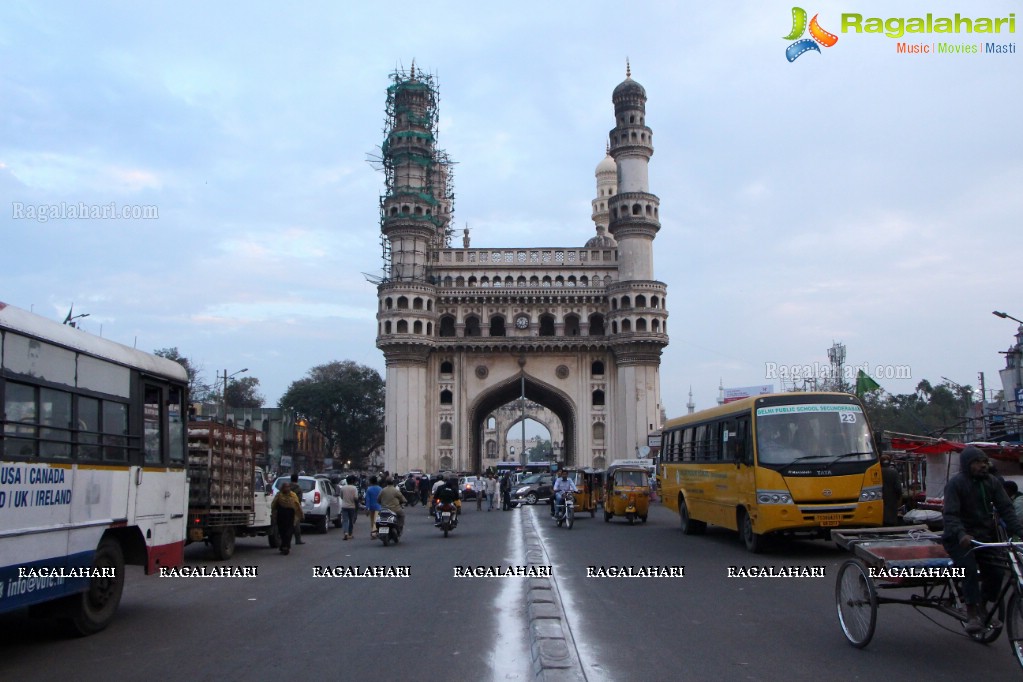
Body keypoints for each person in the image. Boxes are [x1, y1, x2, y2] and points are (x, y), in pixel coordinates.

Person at [942, 445, 1023, 633]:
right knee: (968, 569)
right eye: (978, 462)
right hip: (958, 538)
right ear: (967, 464)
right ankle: (971, 612)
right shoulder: (956, 484)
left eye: (985, 462)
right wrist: (961, 534)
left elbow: (1006, 510)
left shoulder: (992, 482)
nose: (983, 466)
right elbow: (951, 515)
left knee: (997, 572)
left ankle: (982, 603)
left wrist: (1019, 531)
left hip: (984, 537)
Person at [271, 482, 303, 555]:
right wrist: (273, 513)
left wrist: (300, 514)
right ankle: (283, 546)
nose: (287, 488)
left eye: (288, 487)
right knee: (282, 532)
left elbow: (297, 505)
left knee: (289, 532)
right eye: (285, 487)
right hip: (281, 516)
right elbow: (274, 504)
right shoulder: (279, 495)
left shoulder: (293, 495)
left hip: (290, 517)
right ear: (282, 488)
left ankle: (286, 546)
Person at [880, 453, 903, 526]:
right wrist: (899, 497)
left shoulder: (876, 472)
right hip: (892, 500)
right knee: (891, 519)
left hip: (879, 499)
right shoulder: (894, 472)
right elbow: (898, 487)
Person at [339, 475, 360, 540]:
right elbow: (356, 498)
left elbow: (341, 496)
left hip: (344, 506)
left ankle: (345, 533)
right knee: (351, 521)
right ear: (353, 481)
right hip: (352, 507)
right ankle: (350, 534)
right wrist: (357, 506)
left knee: (345, 520)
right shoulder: (354, 488)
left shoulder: (343, 488)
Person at [289, 473, 305, 544]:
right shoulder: (298, 488)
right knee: (296, 524)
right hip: (295, 508)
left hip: (286, 507)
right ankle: (298, 540)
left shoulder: (287, 487)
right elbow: (299, 500)